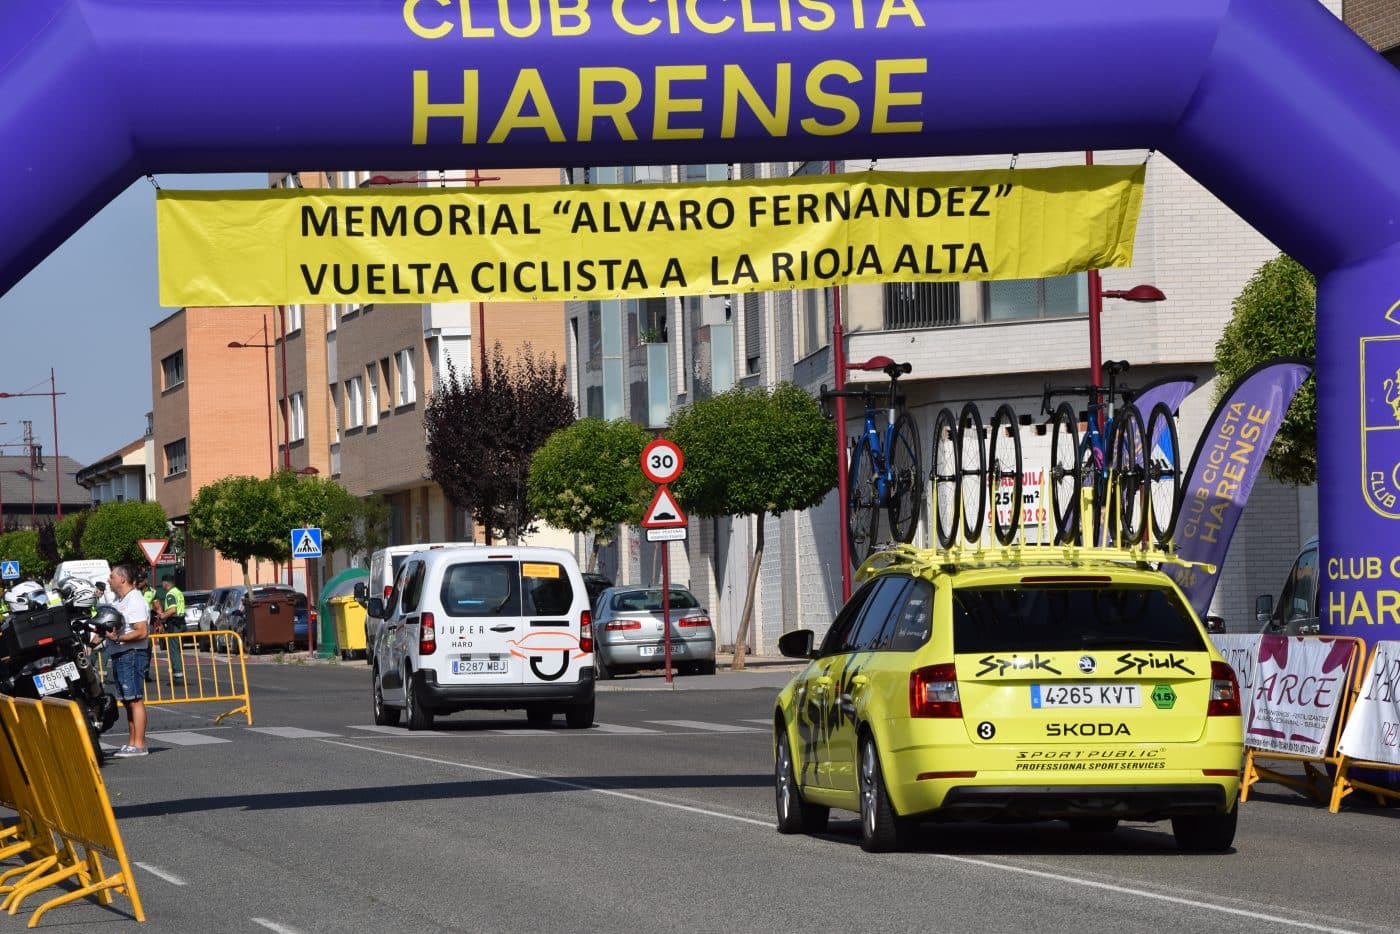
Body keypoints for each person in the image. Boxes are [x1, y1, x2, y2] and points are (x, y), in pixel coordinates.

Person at [106, 563, 151, 758]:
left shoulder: (135, 600)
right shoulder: (120, 600)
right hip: (121, 654)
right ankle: (132, 742)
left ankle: (139, 744)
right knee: (127, 701)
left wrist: (118, 639)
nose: (109, 580)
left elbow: (141, 631)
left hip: (131, 654)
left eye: (112, 576)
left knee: (135, 699)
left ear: (122, 579)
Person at [154, 578, 186, 681]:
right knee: (178, 650)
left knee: (174, 650)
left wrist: (163, 616)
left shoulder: (170, 594)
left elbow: (172, 609)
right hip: (181, 623)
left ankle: (178, 677)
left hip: (174, 624)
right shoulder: (178, 592)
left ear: (165, 583)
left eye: (162, 583)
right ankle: (178, 674)